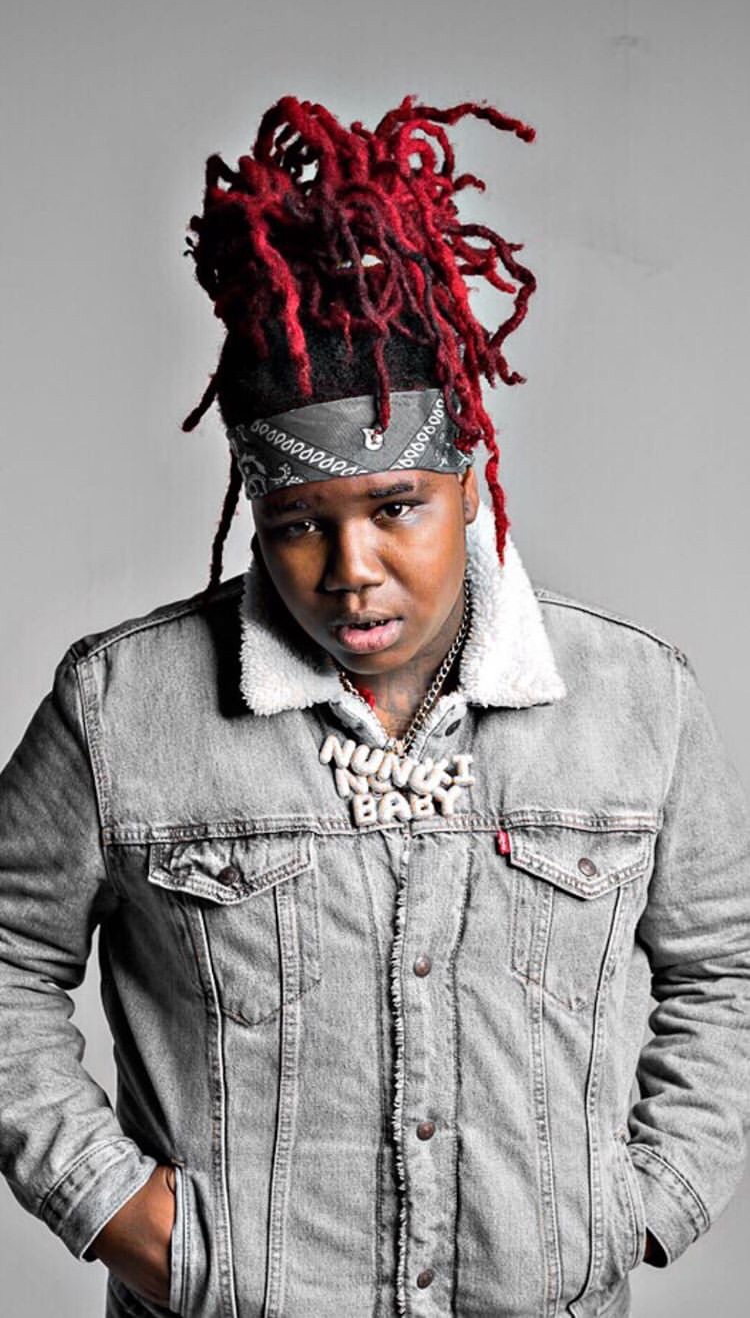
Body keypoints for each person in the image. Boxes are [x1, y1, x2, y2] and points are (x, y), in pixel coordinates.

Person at [1, 92, 749, 1318]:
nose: (350, 569)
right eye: (300, 524)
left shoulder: (638, 702)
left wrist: (651, 1201)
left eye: (397, 509)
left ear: (470, 485)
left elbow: (729, 969)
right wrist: (116, 1210)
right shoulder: (120, 708)